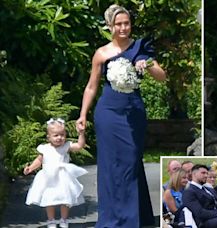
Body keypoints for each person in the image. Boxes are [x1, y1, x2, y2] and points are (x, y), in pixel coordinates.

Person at [75, 4, 166, 227]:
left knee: (131, 161)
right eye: (119, 24)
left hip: (133, 110)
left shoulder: (140, 47)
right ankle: (113, 217)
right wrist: (83, 114)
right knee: (109, 164)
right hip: (107, 112)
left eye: (127, 23)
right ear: (110, 26)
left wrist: (147, 65)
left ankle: (135, 216)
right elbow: (91, 87)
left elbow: (162, 76)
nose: (124, 28)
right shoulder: (101, 53)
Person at [24, 118, 87, 228]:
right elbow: (39, 160)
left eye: (62, 135)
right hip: (48, 178)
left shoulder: (66, 146)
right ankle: (51, 220)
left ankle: (63, 219)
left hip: (63, 177)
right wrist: (31, 168)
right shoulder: (45, 148)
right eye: (56, 135)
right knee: (49, 199)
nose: (60, 138)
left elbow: (79, 146)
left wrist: (81, 134)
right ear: (48, 137)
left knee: (65, 199)